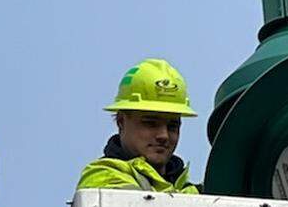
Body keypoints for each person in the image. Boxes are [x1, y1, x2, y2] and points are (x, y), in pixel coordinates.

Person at [75, 60, 199, 193]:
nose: (164, 135)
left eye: (172, 126)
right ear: (121, 121)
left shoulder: (186, 190)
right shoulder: (102, 177)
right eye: (151, 123)